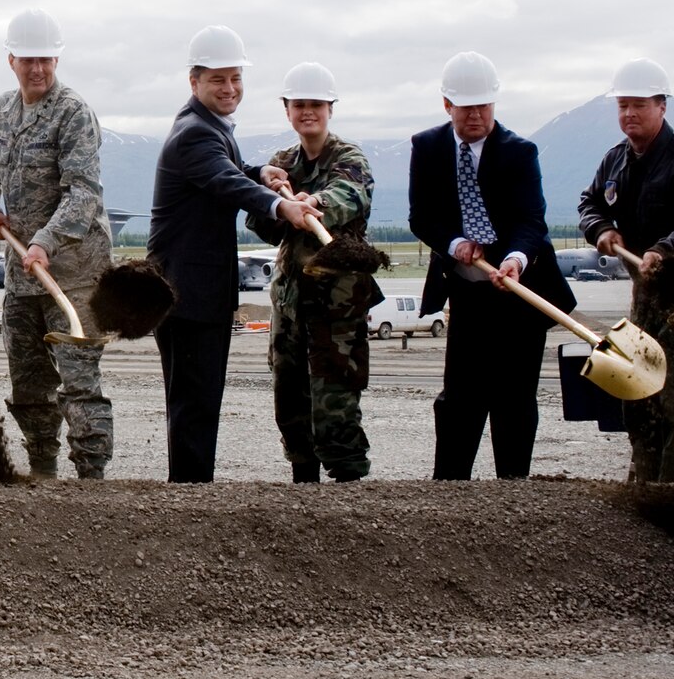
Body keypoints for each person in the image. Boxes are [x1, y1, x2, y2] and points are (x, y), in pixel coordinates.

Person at [147, 26, 320, 483]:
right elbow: (225, 182)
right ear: (194, 82)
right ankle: (190, 498)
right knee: (193, 407)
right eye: (217, 80)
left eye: (236, 79)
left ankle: (193, 492)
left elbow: (229, 171)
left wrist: (258, 170)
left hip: (199, 293)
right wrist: (280, 204)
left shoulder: (207, 128)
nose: (229, 90)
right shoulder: (194, 134)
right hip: (187, 296)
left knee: (200, 403)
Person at [407, 51, 577, 480]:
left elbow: (531, 220)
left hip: (521, 291)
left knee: (515, 399)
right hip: (466, 292)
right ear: (447, 105)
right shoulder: (427, 148)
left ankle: (513, 490)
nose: (477, 115)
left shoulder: (520, 152)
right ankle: (450, 490)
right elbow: (421, 216)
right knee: (460, 398)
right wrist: (454, 242)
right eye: (467, 107)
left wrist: (516, 259)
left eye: (484, 105)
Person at [0, 8, 113, 479]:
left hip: (72, 275)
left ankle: (92, 477)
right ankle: (42, 471)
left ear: (57, 60)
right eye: (28, 60)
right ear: (11, 60)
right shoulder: (1, 112)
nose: (38, 69)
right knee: (29, 381)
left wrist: (47, 242)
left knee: (78, 380)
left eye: (46, 60)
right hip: (22, 272)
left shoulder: (73, 113)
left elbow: (83, 192)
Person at [577, 58, 674, 482]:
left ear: (662, 106)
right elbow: (588, 204)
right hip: (647, 295)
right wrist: (601, 228)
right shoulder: (615, 161)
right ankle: (644, 481)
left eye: (639, 105)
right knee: (638, 393)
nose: (629, 114)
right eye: (623, 105)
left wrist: (664, 250)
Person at [243, 63, 381, 483]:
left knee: (335, 406)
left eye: (316, 105)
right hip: (290, 305)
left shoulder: (348, 158)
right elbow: (260, 220)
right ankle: (303, 493)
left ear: (330, 109)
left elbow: (348, 196)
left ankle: (348, 494)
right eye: (299, 105)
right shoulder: (282, 164)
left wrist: (308, 203)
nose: (308, 113)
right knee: (291, 403)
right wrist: (273, 199)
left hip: (336, 310)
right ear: (287, 110)